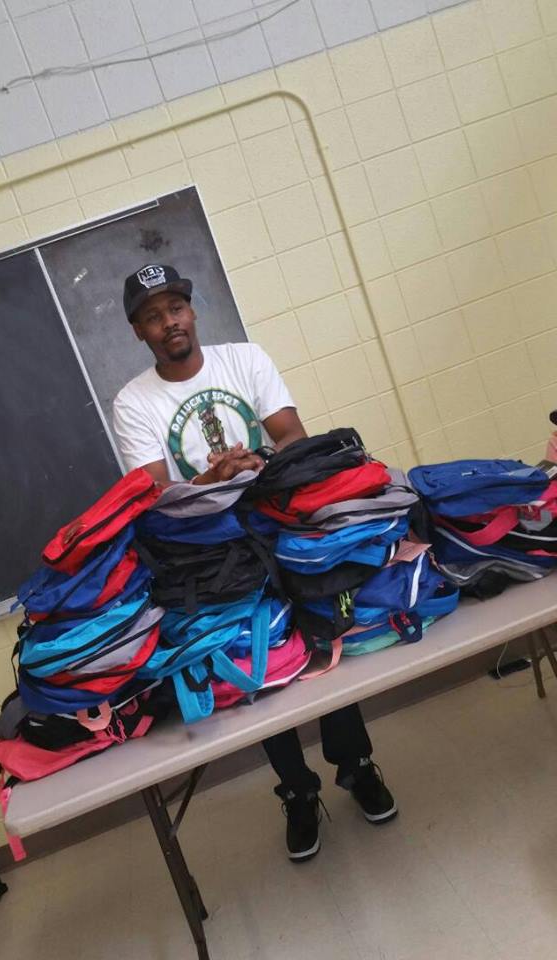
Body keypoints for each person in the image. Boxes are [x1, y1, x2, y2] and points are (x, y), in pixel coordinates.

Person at [113, 263, 398, 862]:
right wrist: (212, 479)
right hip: (209, 553)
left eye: (175, 309)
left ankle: (356, 764)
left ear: (192, 311)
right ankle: (297, 791)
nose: (169, 323)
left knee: (323, 640)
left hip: (282, 523)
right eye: (153, 317)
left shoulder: (244, 358)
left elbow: (292, 435)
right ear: (138, 331)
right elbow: (154, 495)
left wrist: (259, 462)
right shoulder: (133, 401)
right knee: (257, 664)